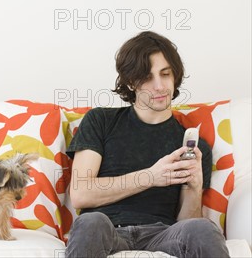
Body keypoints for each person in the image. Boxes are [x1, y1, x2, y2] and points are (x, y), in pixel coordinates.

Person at [65, 31, 229, 258]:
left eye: (165, 74)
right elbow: (81, 193)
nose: (160, 86)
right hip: (107, 230)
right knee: (90, 222)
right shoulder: (100, 120)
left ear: (175, 76)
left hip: (163, 234)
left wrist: (193, 188)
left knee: (203, 228)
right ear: (131, 82)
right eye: (148, 77)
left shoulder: (194, 145)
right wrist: (151, 176)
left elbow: (187, 223)